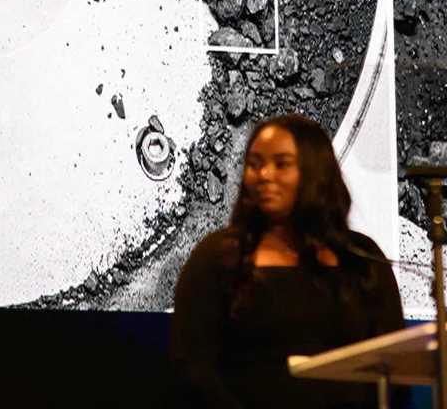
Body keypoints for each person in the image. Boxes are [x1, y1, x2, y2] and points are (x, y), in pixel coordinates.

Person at [169, 113, 408, 408]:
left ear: (315, 173)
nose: (264, 175)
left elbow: (395, 365)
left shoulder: (360, 259)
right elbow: (193, 367)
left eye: (281, 164)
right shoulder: (219, 257)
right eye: (255, 164)